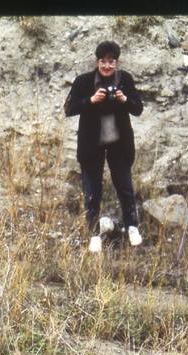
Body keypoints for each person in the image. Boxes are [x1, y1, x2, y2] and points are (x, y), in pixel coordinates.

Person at [65, 40, 144, 253]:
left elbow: (138, 109)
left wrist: (124, 99)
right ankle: (93, 234)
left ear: (117, 62)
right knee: (92, 191)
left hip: (119, 143)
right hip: (92, 145)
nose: (107, 66)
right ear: (96, 61)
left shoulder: (125, 79)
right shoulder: (84, 81)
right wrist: (89, 101)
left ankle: (132, 227)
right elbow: (68, 108)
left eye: (111, 62)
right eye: (103, 62)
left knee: (125, 187)